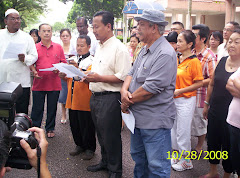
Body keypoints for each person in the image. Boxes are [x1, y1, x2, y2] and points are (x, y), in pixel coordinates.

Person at [121, 9, 177, 177]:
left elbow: (149, 90)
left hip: (155, 122)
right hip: (137, 119)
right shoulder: (145, 49)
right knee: (140, 160)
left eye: (141, 25)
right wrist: (124, 90)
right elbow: (131, 73)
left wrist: (126, 101)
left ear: (154, 28)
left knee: (157, 166)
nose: (137, 28)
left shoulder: (165, 53)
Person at [85, 11, 131, 178]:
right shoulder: (100, 46)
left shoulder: (119, 48)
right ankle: (105, 162)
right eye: (93, 27)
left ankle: (115, 170)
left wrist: (99, 78)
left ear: (109, 26)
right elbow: (99, 72)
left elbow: (124, 77)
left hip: (110, 98)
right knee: (101, 133)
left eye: (97, 27)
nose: (94, 30)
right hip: (96, 96)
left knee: (111, 135)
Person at [202, 30, 240, 178]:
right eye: (230, 41)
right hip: (215, 109)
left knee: (230, 145)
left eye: (237, 42)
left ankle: (227, 174)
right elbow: (211, 84)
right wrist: (206, 104)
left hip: (232, 115)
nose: (231, 44)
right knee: (213, 141)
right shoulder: (222, 60)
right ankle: (213, 171)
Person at [59, 35, 96, 160]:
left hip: (85, 99)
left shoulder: (92, 61)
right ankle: (79, 145)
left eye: (82, 45)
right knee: (74, 124)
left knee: (87, 125)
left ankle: (90, 148)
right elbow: (69, 79)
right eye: (77, 45)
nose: (79, 48)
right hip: (72, 98)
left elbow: (88, 78)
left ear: (89, 46)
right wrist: (62, 75)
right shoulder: (73, 59)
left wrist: (76, 68)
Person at [171, 30, 203, 171]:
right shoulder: (176, 58)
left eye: (180, 41)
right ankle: (177, 154)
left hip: (186, 99)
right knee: (174, 129)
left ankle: (187, 161)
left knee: (183, 131)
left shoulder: (194, 61)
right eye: (177, 41)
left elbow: (199, 83)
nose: (177, 44)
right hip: (174, 99)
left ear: (190, 44)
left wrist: (180, 91)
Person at [31, 23, 66, 138]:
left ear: (52, 33)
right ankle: (35, 128)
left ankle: (50, 128)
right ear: (39, 33)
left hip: (54, 83)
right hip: (39, 83)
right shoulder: (34, 48)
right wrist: (33, 71)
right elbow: (30, 63)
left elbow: (63, 62)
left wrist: (59, 68)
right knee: (37, 108)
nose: (46, 33)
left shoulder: (58, 47)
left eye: (49, 31)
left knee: (52, 108)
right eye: (44, 31)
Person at [0, 9, 38, 115]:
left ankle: (21, 131)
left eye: (18, 18)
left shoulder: (26, 38)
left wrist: (25, 59)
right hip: (2, 80)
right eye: (13, 19)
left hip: (21, 82)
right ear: (5, 21)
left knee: (21, 112)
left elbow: (34, 56)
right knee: (3, 112)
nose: (17, 21)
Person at [191, 24, 217, 155]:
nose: (191, 37)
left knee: (200, 123)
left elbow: (213, 78)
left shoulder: (209, 56)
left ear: (202, 39)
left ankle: (199, 146)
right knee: (190, 121)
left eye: (194, 35)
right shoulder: (190, 53)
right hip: (188, 94)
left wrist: (197, 83)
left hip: (201, 96)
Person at [226, 65, 240, 178]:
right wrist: (236, 81)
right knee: (235, 156)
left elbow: (235, 81)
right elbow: (230, 82)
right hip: (234, 120)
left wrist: (237, 82)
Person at [58, 28, 73, 124]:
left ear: (70, 37)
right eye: (63, 36)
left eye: (67, 36)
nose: (65, 37)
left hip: (71, 75)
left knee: (72, 95)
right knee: (63, 96)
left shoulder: (74, 48)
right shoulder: (59, 48)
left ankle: (72, 115)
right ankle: (64, 115)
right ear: (60, 37)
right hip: (62, 75)